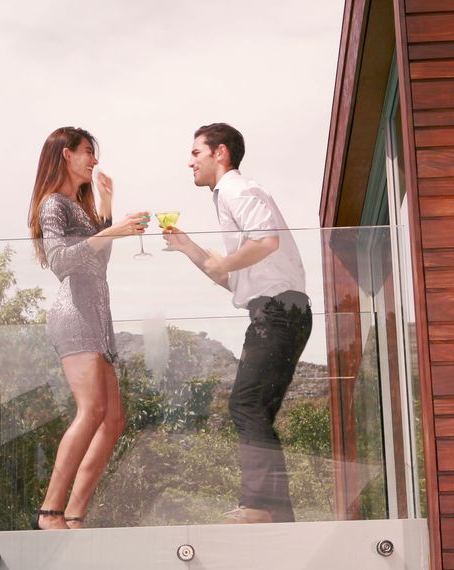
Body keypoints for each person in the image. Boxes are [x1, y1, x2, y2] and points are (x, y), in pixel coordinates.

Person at [163, 123, 312, 523]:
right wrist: (188, 247)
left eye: (196, 152)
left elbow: (266, 241)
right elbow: (232, 277)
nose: (189, 160)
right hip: (280, 311)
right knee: (256, 411)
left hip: (278, 312)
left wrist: (225, 260)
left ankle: (261, 507)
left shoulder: (237, 189)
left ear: (220, 153)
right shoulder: (229, 197)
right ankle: (277, 514)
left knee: (245, 404)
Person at [27, 126, 148, 530]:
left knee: (113, 420)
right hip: (75, 315)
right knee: (91, 410)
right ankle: (50, 511)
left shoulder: (78, 205)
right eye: (87, 153)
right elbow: (62, 261)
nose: (94, 161)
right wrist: (112, 228)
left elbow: (99, 258)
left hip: (97, 317)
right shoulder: (52, 205)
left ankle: (75, 513)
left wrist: (108, 207)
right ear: (65, 154)